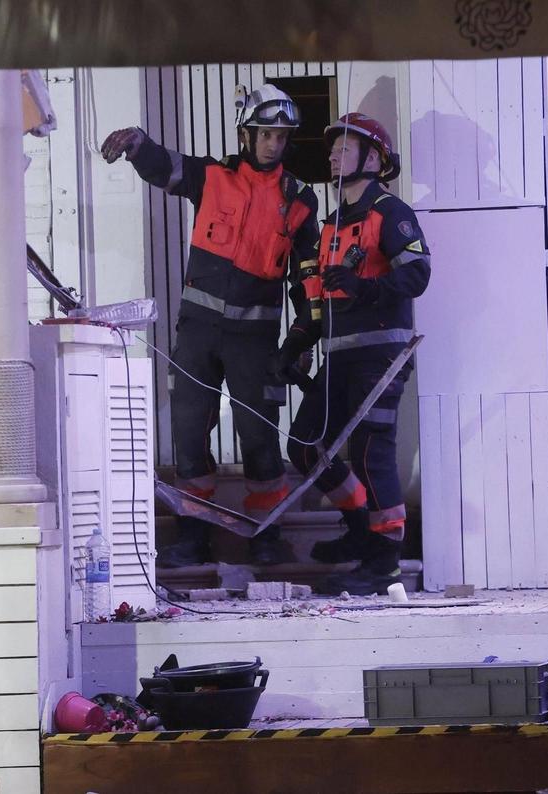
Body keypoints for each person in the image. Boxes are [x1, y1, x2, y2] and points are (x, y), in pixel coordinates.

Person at [101, 84, 320, 567]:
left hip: (256, 343)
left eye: (281, 137)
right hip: (197, 334)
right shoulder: (212, 177)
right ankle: (193, 535)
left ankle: (264, 535)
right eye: (265, 134)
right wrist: (138, 144)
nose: (273, 145)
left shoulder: (299, 200)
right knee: (189, 432)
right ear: (246, 133)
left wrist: (303, 336)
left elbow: (308, 279)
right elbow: (168, 166)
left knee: (259, 437)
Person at [277, 113, 430, 596]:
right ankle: (360, 525)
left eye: (344, 148)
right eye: (333, 149)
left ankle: (385, 562)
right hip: (338, 354)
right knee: (304, 444)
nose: (332, 155)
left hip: (381, 356)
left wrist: (365, 288)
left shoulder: (391, 211)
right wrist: (297, 343)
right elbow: (322, 296)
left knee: (369, 448)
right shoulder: (332, 224)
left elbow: (418, 274)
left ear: (373, 158)